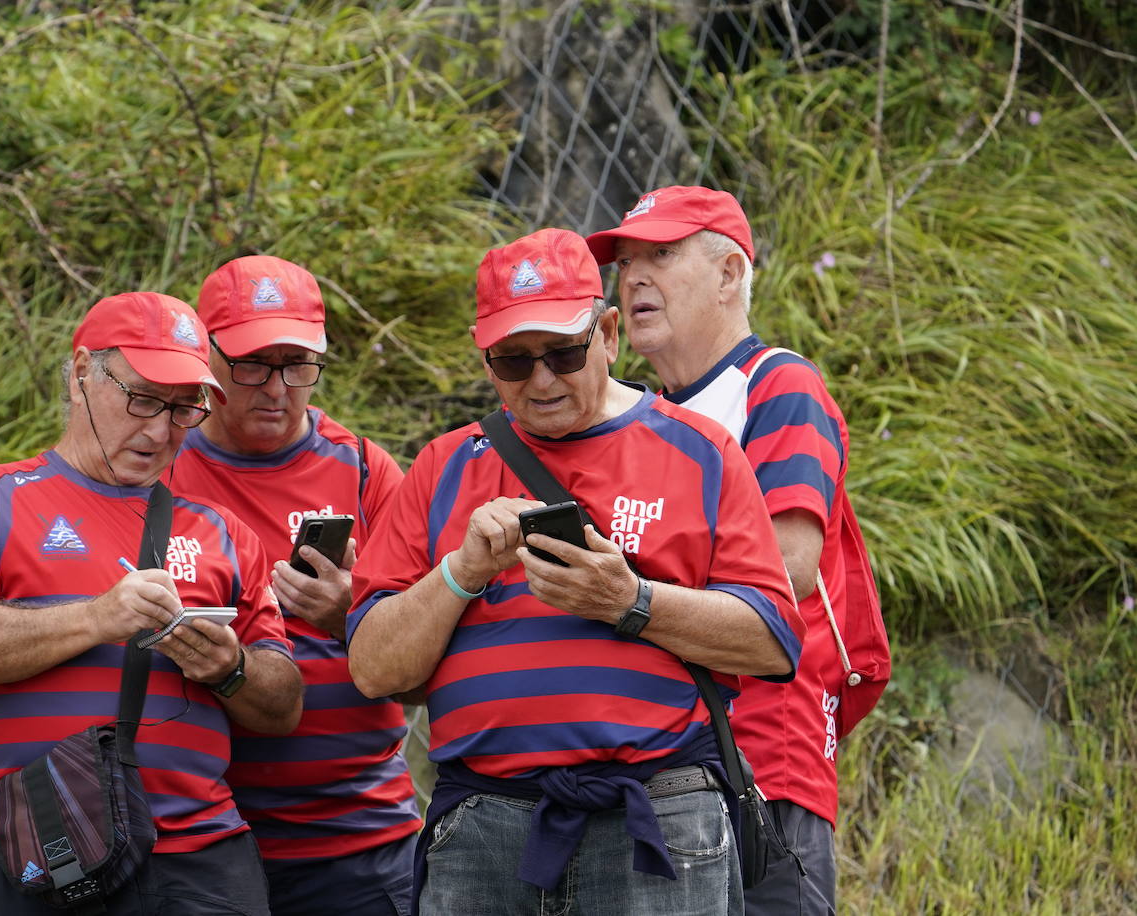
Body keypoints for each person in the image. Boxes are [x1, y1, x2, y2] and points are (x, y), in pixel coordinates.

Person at [345, 228, 805, 916]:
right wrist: (461, 573)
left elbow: (771, 641)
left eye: (563, 352)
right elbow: (374, 669)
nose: (541, 379)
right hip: (485, 822)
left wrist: (633, 601)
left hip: (658, 810)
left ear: (609, 334)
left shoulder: (700, 451)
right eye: (512, 360)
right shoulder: (444, 467)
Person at [0, 290, 305, 915]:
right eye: (143, 399)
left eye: (182, 409)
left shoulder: (223, 532)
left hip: (202, 858)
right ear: (81, 374)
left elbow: (283, 705)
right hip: (48, 846)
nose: (158, 429)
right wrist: (97, 617)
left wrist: (229, 669)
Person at [586, 185, 891, 914]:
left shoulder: (776, 384)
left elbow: (788, 567)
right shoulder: (641, 413)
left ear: (729, 274)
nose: (633, 280)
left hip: (761, 757)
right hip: (656, 759)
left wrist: (617, 585)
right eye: (625, 262)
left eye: (661, 255)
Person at [168, 255, 422, 916]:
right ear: (206, 355)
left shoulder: (364, 468)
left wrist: (350, 616)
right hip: (202, 839)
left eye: (298, 364)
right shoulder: (160, 468)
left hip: (361, 835)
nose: (276, 388)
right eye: (252, 363)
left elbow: (429, 659)